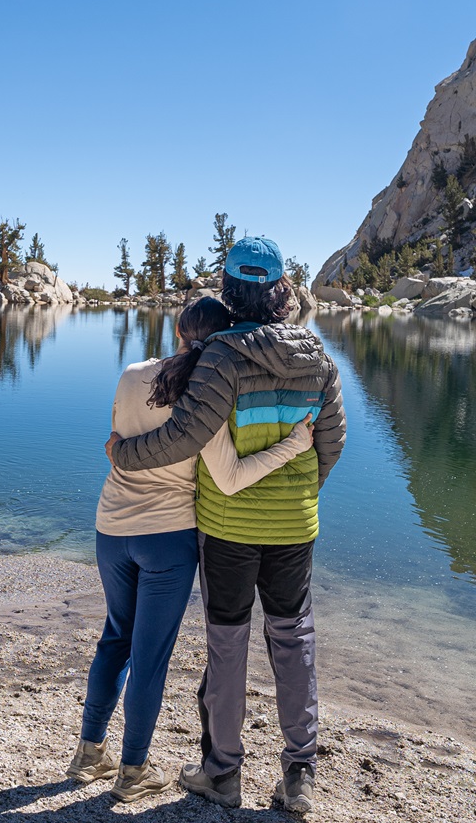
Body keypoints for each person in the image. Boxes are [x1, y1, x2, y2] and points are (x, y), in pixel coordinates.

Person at [106, 237, 346, 814]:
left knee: (228, 643)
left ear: (231, 290)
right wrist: (298, 497)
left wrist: (124, 454)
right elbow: (331, 445)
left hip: (228, 528)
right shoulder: (318, 356)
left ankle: (223, 774)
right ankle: (299, 776)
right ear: (281, 289)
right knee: (294, 640)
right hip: (294, 529)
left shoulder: (222, 356)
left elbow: (184, 436)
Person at [68, 296, 315, 803]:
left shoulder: (133, 373)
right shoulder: (207, 398)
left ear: (178, 327)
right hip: (168, 538)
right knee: (150, 657)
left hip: (111, 528)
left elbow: (115, 439)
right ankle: (132, 773)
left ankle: (89, 754)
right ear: (221, 341)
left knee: (115, 636)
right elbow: (228, 477)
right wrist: (294, 447)